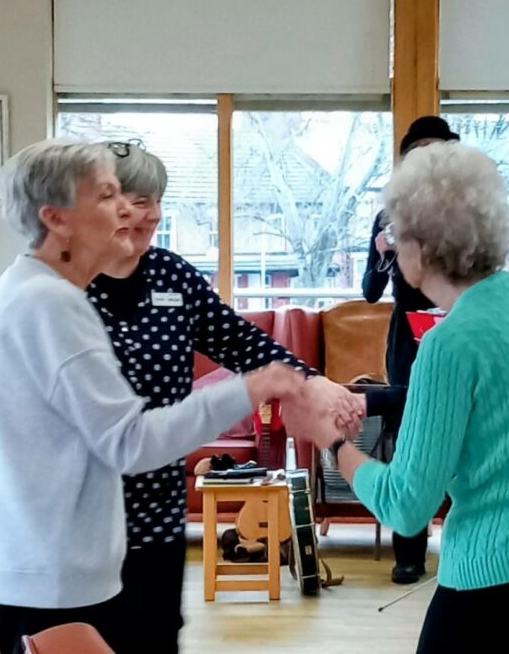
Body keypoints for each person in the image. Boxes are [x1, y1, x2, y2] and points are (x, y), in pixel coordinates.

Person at [0, 140, 309, 654]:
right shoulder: (49, 303)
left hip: (57, 563)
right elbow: (130, 443)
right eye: (107, 196)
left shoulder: (35, 291)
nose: (129, 209)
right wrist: (250, 388)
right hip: (46, 571)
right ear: (57, 219)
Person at [288, 142, 509, 653]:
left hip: (495, 579)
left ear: (421, 251)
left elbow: (407, 507)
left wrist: (336, 446)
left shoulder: (447, 345)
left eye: (395, 234)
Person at [89, 141, 361, 652]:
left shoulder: (172, 276)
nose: (143, 215)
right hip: (84, 519)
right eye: (128, 200)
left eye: (153, 200)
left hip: (157, 516)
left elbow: (241, 342)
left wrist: (310, 380)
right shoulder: (66, 288)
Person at [361, 115, 460, 584]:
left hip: (459, 323)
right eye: (419, 151)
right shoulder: (388, 214)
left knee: (466, 432)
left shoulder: (467, 210)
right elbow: (369, 292)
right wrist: (384, 252)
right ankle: (410, 554)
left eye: (438, 149)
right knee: (408, 437)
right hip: (408, 333)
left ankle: (465, 542)